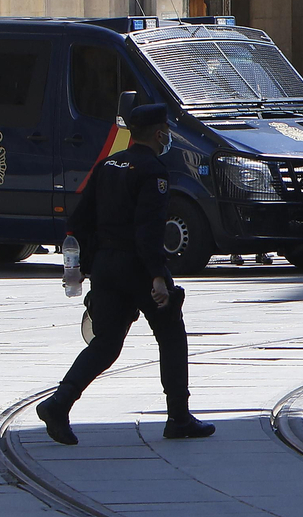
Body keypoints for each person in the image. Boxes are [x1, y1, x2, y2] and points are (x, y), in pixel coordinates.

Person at [35, 105, 215, 446]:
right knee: (171, 334)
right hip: (137, 267)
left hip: (106, 265)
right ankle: (178, 415)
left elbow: (80, 219)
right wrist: (158, 276)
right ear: (159, 133)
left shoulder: (108, 164)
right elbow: (147, 230)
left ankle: (59, 403)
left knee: (105, 344)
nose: (168, 136)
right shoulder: (153, 171)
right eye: (166, 130)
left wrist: (84, 267)